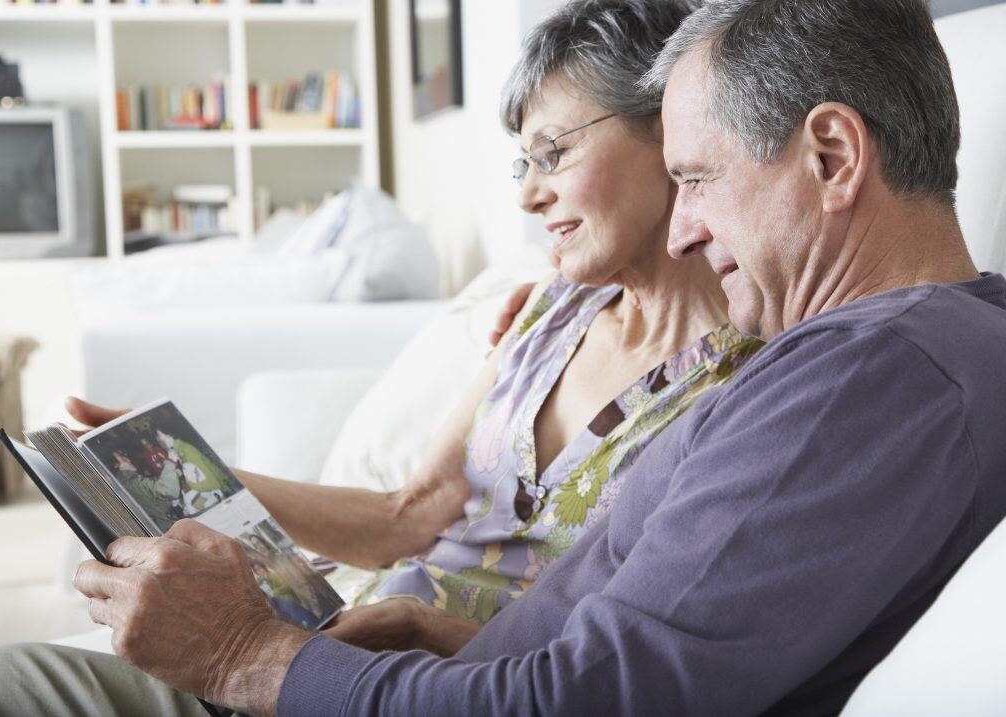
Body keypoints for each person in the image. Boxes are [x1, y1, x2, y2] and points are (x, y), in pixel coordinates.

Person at [0, 1, 1006, 715]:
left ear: (831, 157)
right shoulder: (890, 348)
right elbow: (624, 644)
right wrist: (452, 639)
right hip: (421, 663)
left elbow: (597, 696)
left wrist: (252, 655)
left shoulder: (868, 375)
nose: (687, 227)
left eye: (694, 178)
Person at [67, 0, 758, 637]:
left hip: (450, 680)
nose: (528, 194)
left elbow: (630, 653)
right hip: (334, 637)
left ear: (672, 126)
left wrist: (426, 632)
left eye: (555, 152)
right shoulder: (552, 306)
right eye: (523, 162)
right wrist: (188, 475)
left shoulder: (754, 375)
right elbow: (407, 515)